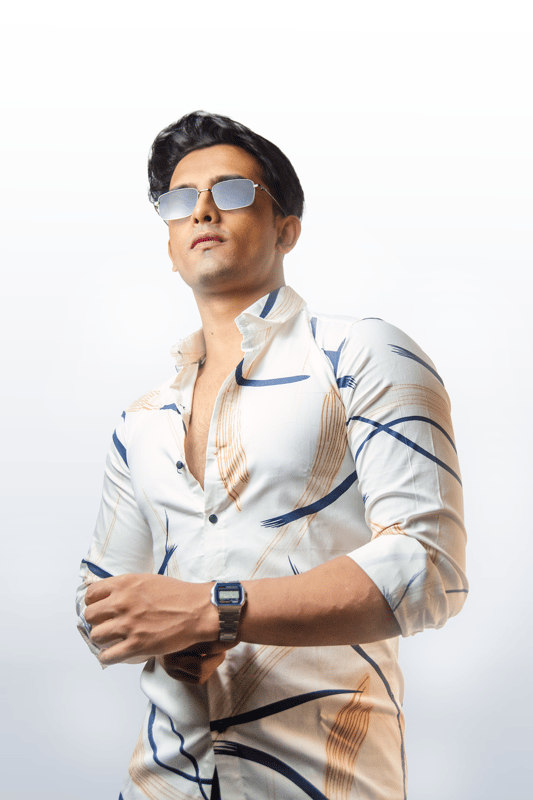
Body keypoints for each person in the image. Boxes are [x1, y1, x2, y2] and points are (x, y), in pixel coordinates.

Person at [76, 111, 468, 800]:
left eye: (231, 191)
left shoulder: (361, 355)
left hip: (324, 779)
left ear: (287, 228)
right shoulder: (141, 423)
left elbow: (429, 568)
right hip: (163, 781)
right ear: (169, 244)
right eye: (180, 199)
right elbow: (100, 605)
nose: (202, 210)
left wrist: (214, 608)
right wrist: (170, 638)